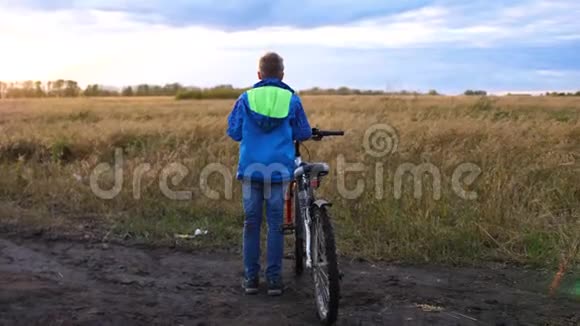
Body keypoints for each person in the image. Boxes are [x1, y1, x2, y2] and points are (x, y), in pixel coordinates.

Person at [227, 52, 312, 296]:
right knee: (276, 225)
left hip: (251, 170)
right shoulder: (292, 100)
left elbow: (234, 132)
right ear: (282, 75)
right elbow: (303, 132)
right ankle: (274, 280)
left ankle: (251, 279)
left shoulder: (245, 98)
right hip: (278, 171)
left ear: (259, 74)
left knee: (251, 223)